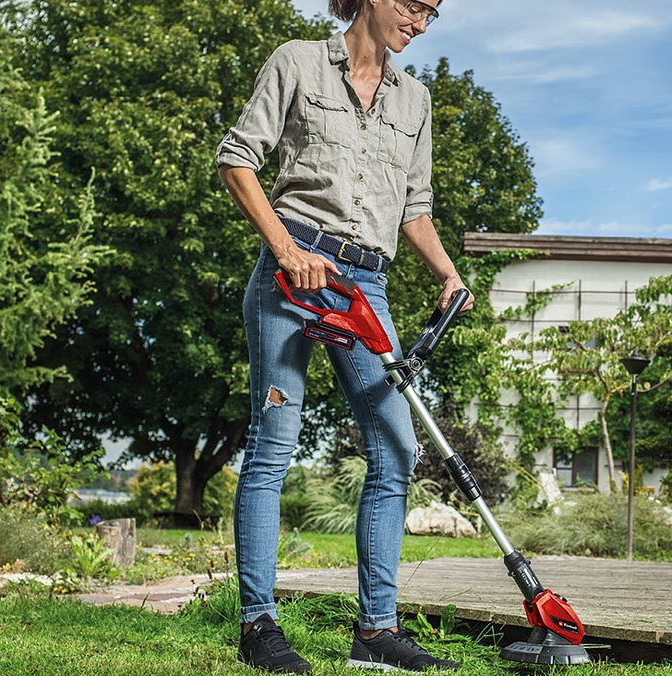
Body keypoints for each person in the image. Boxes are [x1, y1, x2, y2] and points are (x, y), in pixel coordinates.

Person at [215, 0, 471, 672]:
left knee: (396, 446)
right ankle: (258, 627)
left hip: (367, 287)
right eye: (414, 5)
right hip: (292, 271)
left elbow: (414, 207)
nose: (421, 22)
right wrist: (284, 249)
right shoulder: (298, 62)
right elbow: (237, 159)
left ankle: (377, 633)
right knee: (274, 442)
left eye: (433, 14)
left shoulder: (414, 100)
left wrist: (447, 272)